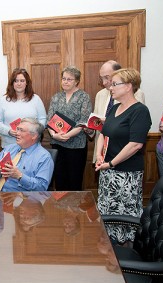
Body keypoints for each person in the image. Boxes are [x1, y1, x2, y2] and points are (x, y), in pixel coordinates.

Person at [95, 68, 151, 245]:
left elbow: (135, 145)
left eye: (114, 84)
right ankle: (109, 247)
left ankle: (124, 252)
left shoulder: (140, 111)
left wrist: (111, 163)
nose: (110, 88)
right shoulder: (115, 108)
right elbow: (103, 134)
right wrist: (98, 155)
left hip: (126, 175)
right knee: (107, 212)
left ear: (128, 86)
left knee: (123, 216)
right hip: (107, 171)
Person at [47, 66, 92, 191]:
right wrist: (53, 135)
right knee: (60, 180)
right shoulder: (56, 97)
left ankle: (75, 210)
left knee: (74, 180)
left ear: (77, 81)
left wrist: (67, 135)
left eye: (69, 79)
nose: (65, 81)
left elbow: (84, 121)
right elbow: (49, 119)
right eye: (64, 78)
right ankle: (62, 210)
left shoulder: (84, 97)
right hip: (57, 144)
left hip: (76, 145)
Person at [92, 60, 146, 162]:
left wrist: (108, 121)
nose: (104, 83)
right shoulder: (100, 95)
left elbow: (135, 128)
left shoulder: (137, 96)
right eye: (101, 78)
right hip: (102, 154)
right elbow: (99, 127)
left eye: (107, 78)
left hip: (124, 156)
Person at [0, 117, 53, 191]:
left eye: (21, 130)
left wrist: (20, 176)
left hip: (23, 198)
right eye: (18, 129)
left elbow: (41, 187)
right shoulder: (9, 148)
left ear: (34, 136)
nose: (17, 133)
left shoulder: (44, 157)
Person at [0, 68, 46, 148]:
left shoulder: (36, 99)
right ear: (12, 83)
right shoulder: (3, 100)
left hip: (31, 145)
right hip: (9, 145)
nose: (19, 83)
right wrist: (9, 131)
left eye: (22, 81)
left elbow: (43, 119)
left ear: (27, 83)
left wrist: (35, 132)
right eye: (16, 81)